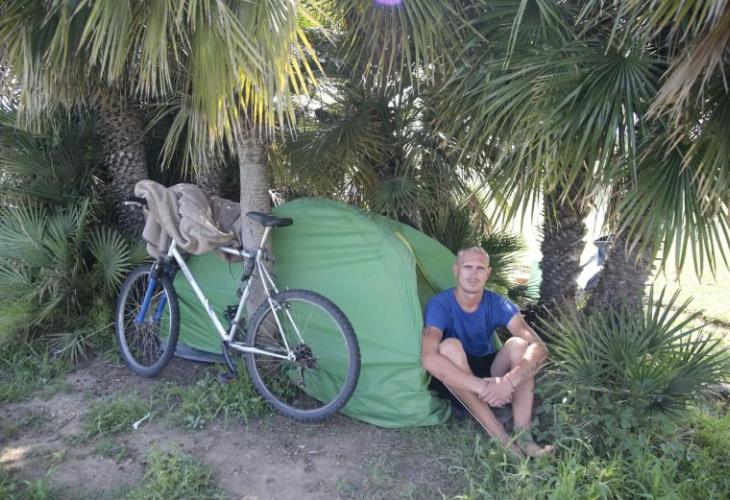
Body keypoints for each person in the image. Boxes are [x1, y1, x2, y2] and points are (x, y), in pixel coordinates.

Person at [421, 246, 554, 458]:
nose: (473, 274)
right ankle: (502, 439)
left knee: (519, 344)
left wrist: (508, 382)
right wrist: (484, 387)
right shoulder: (440, 304)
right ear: (456, 270)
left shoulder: (497, 303)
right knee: (449, 346)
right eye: (468, 267)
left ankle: (524, 436)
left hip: (488, 367)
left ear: (488, 273)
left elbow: (539, 347)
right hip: (457, 376)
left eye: (480, 268)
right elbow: (428, 358)